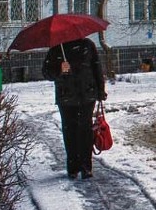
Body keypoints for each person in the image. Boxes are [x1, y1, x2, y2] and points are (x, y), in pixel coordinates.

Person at [42, 38, 107, 179]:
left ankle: (86, 167)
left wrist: (100, 91)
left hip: (86, 95)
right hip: (66, 97)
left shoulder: (88, 45)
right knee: (70, 131)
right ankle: (73, 167)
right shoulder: (57, 48)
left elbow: (97, 68)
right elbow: (46, 72)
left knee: (85, 130)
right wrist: (60, 69)